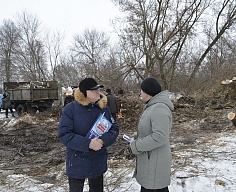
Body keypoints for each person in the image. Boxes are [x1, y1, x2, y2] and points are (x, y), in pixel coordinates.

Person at [58, 77, 119, 192]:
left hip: (97, 162)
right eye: (93, 90)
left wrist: (102, 141)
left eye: (98, 89)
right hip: (76, 161)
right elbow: (64, 134)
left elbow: (114, 129)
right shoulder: (70, 109)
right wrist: (88, 144)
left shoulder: (103, 109)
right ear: (84, 93)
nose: (98, 92)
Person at [129, 77, 174, 192]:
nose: (140, 93)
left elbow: (160, 136)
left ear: (147, 92)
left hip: (154, 163)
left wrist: (136, 146)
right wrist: (136, 136)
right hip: (150, 161)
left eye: (142, 90)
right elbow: (150, 130)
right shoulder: (152, 106)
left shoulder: (159, 108)